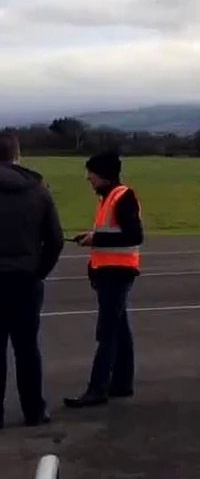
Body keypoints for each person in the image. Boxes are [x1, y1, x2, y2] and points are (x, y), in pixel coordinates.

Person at [64, 151, 143, 409]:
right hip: (109, 271)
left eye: (92, 173)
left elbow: (134, 236)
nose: (88, 178)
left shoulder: (122, 197)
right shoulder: (109, 197)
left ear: (104, 174)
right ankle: (122, 383)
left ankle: (97, 388)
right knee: (119, 327)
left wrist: (96, 239)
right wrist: (93, 237)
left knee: (107, 331)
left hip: (117, 272)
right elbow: (116, 233)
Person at [0, 132, 63, 429]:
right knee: (27, 348)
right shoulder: (38, 191)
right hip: (25, 278)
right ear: (17, 154)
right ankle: (34, 410)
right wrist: (38, 271)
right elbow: (54, 240)